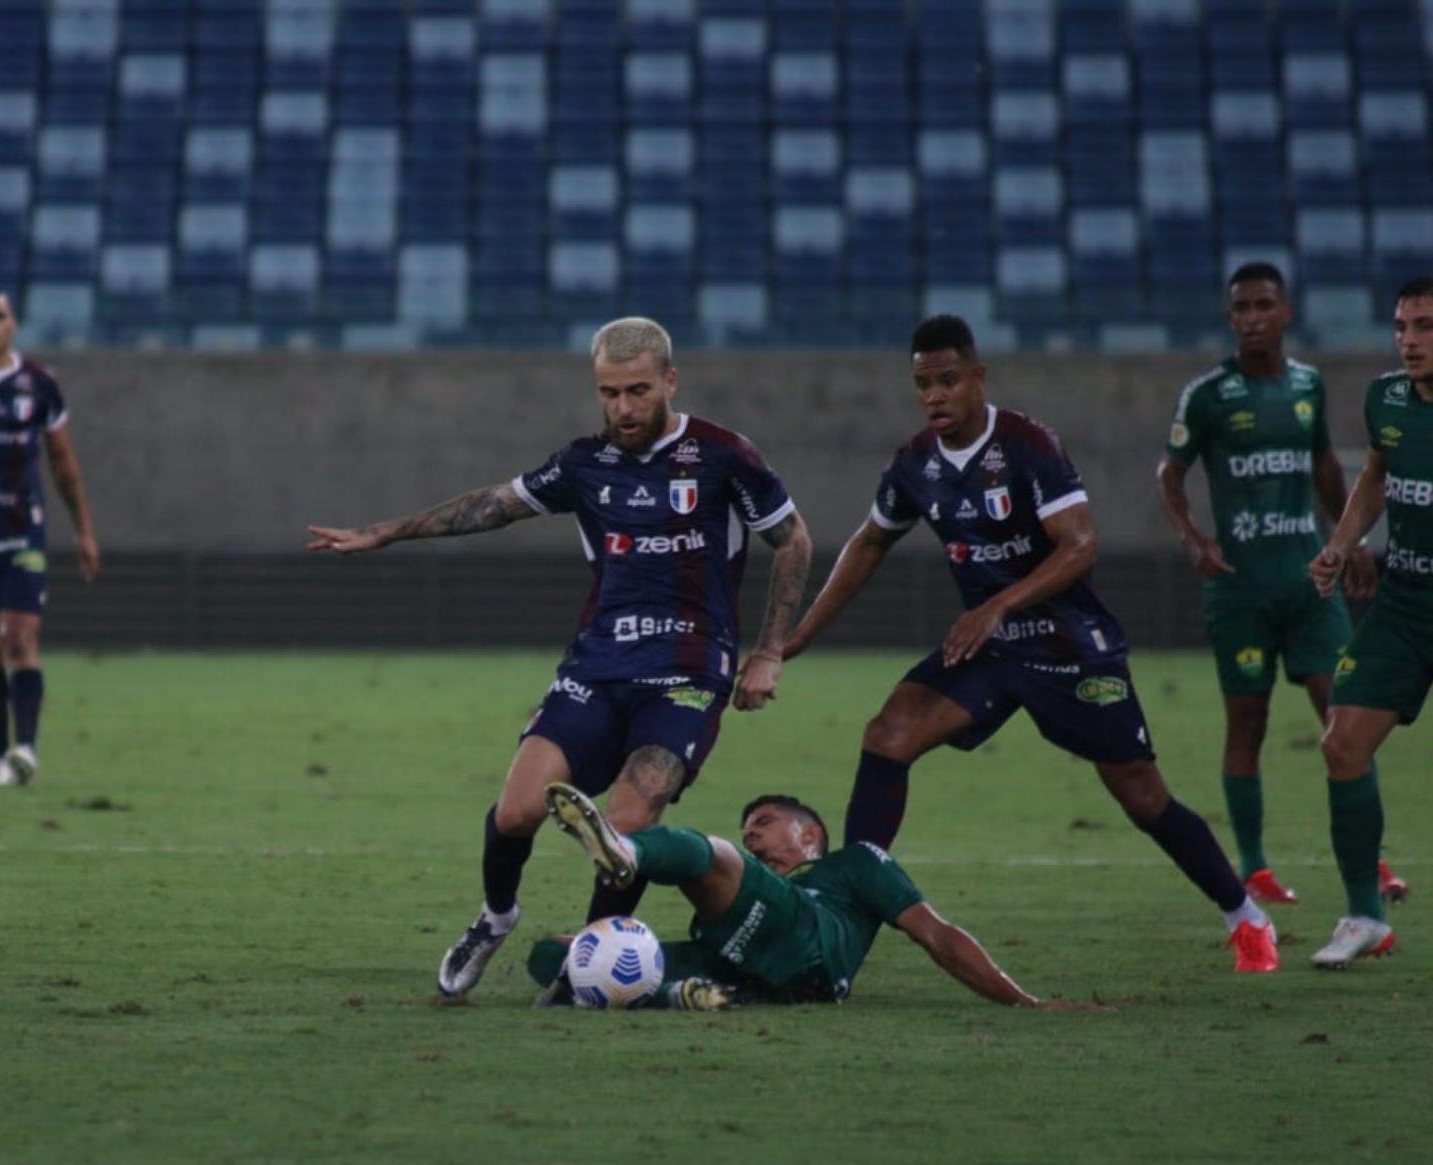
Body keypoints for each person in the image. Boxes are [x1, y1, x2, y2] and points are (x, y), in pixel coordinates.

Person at [308, 317, 812, 1000]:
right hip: (596, 667)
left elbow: (793, 539)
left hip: (688, 673)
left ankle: (589, 961)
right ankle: (495, 917)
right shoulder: (583, 463)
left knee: (629, 824)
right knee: (517, 811)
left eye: (637, 390)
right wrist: (384, 533)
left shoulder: (723, 455)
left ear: (670, 380)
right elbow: (493, 505)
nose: (623, 408)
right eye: (608, 393)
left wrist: (769, 651)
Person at [779, 313, 1280, 972]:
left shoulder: (1026, 444)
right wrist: (801, 634)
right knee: (886, 736)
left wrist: (997, 604)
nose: (934, 395)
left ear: (977, 376)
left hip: (1071, 646)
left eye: (947, 380)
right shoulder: (914, 464)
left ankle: (1243, 914)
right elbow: (871, 540)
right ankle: (847, 914)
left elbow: (1079, 546)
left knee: (1141, 796)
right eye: (922, 384)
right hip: (990, 650)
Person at [1156, 262, 1408, 907]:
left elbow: (1325, 464)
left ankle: (1371, 862)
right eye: (1240, 307)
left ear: (1286, 311)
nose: (1251, 317)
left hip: (1309, 584)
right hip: (1239, 587)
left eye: (1263, 304)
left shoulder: (1308, 386)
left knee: (1344, 715)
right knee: (1248, 723)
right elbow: (1170, 473)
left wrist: (1345, 541)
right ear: (1230, 317)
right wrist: (1191, 536)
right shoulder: (1208, 394)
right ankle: (1256, 866)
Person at [535, 782, 1109, 1011]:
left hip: (806, 940)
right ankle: (686, 996)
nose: (753, 833)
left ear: (809, 835)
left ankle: (626, 854)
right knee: (554, 954)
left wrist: (1023, 1002)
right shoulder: (761, 887)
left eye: (765, 822)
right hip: (745, 964)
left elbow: (936, 934)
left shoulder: (853, 865)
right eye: (750, 828)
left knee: (711, 853)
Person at [1307, 277, 1433, 968]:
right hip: (1405, 601)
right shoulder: (1385, 399)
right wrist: (1342, 540)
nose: (1409, 341)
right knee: (1340, 744)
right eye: (1400, 327)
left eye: (1423, 327)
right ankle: (1364, 916)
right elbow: (1377, 476)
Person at [0, 291, 100, 787]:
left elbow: (62, 463)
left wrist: (83, 530)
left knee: (20, 637)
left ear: (13, 325)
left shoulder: (39, 385)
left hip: (23, 532)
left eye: (0, 317)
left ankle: (27, 748)